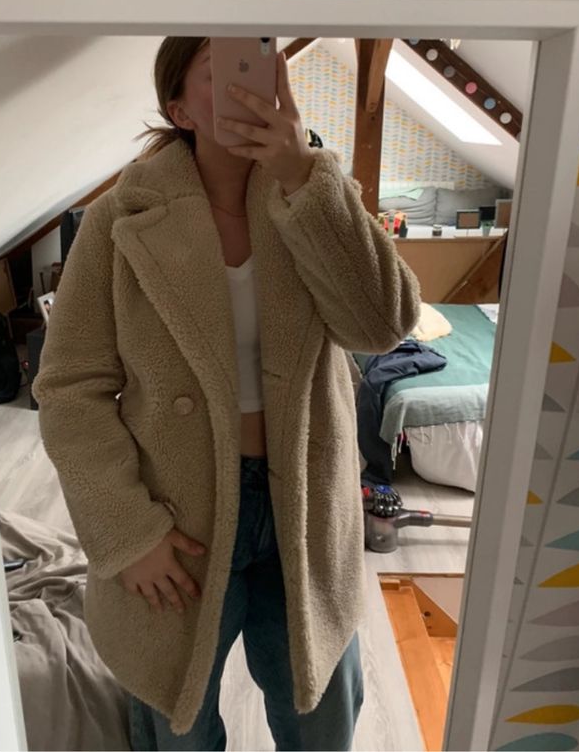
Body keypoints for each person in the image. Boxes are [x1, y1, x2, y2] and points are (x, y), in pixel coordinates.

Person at [32, 37, 421, 751]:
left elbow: (382, 326)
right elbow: (69, 387)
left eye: (262, 62)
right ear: (179, 108)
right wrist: (127, 531)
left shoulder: (316, 193)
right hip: (176, 513)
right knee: (177, 726)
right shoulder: (120, 219)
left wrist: (303, 175)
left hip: (306, 503)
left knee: (322, 724)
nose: (250, 84)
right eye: (221, 71)